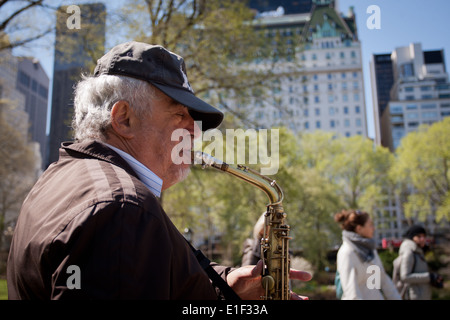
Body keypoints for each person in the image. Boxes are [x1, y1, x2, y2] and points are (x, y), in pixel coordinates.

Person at [7, 41, 311, 300]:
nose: (196, 133)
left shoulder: (58, 179)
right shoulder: (123, 209)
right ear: (123, 118)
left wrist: (225, 285)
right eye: (180, 114)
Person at [334, 209, 401, 300]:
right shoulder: (346, 253)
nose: (374, 228)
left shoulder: (370, 250)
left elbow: (384, 280)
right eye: (370, 225)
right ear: (359, 229)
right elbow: (352, 294)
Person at [396, 225, 443, 300]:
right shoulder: (409, 252)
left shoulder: (418, 252)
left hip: (421, 295)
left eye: (424, 236)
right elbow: (405, 277)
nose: (422, 239)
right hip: (413, 296)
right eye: (419, 236)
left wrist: (434, 278)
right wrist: (429, 277)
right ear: (412, 237)